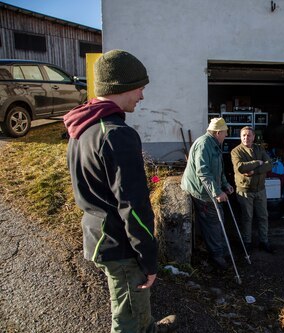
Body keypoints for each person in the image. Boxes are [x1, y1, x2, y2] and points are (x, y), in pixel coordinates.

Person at [64, 49, 175, 332]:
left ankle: (149, 326)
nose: (142, 96)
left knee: (135, 297)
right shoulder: (117, 134)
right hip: (120, 243)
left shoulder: (83, 128)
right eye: (140, 88)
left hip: (98, 233)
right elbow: (134, 207)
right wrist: (149, 258)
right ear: (122, 87)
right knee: (125, 315)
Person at [180, 117, 234, 270]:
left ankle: (223, 251)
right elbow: (202, 171)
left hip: (209, 188)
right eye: (225, 133)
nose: (226, 135)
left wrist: (225, 185)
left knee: (219, 219)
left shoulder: (215, 144)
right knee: (213, 223)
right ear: (217, 132)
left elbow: (219, 169)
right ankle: (217, 257)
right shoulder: (204, 144)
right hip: (201, 190)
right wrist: (217, 192)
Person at [231, 126, 274, 254]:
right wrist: (258, 162)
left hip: (260, 189)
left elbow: (270, 164)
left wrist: (255, 170)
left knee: (263, 216)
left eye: (249, 135)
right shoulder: (236, 151)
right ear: (240, 136)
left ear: (254, 137)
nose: (246, 137)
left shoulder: (259, 148)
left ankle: (264, 241)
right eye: (243, 135)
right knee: (247, 218)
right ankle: (247, 243)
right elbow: (240, 168)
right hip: (245, 190)